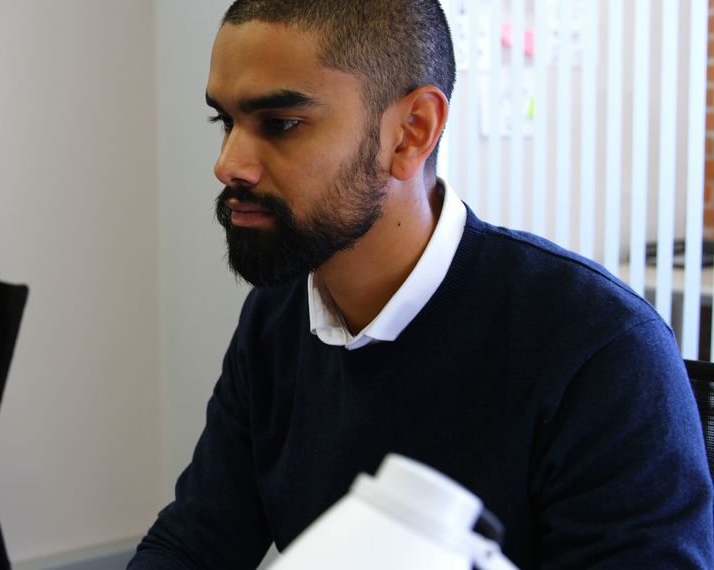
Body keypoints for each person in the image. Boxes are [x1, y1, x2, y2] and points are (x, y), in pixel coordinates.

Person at [130, 1, 714, 568]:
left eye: (281, 124)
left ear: (412, 132)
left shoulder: (600, 349)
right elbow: (193, 545)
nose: (229, 163)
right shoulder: (277, 316)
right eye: (225, 121)